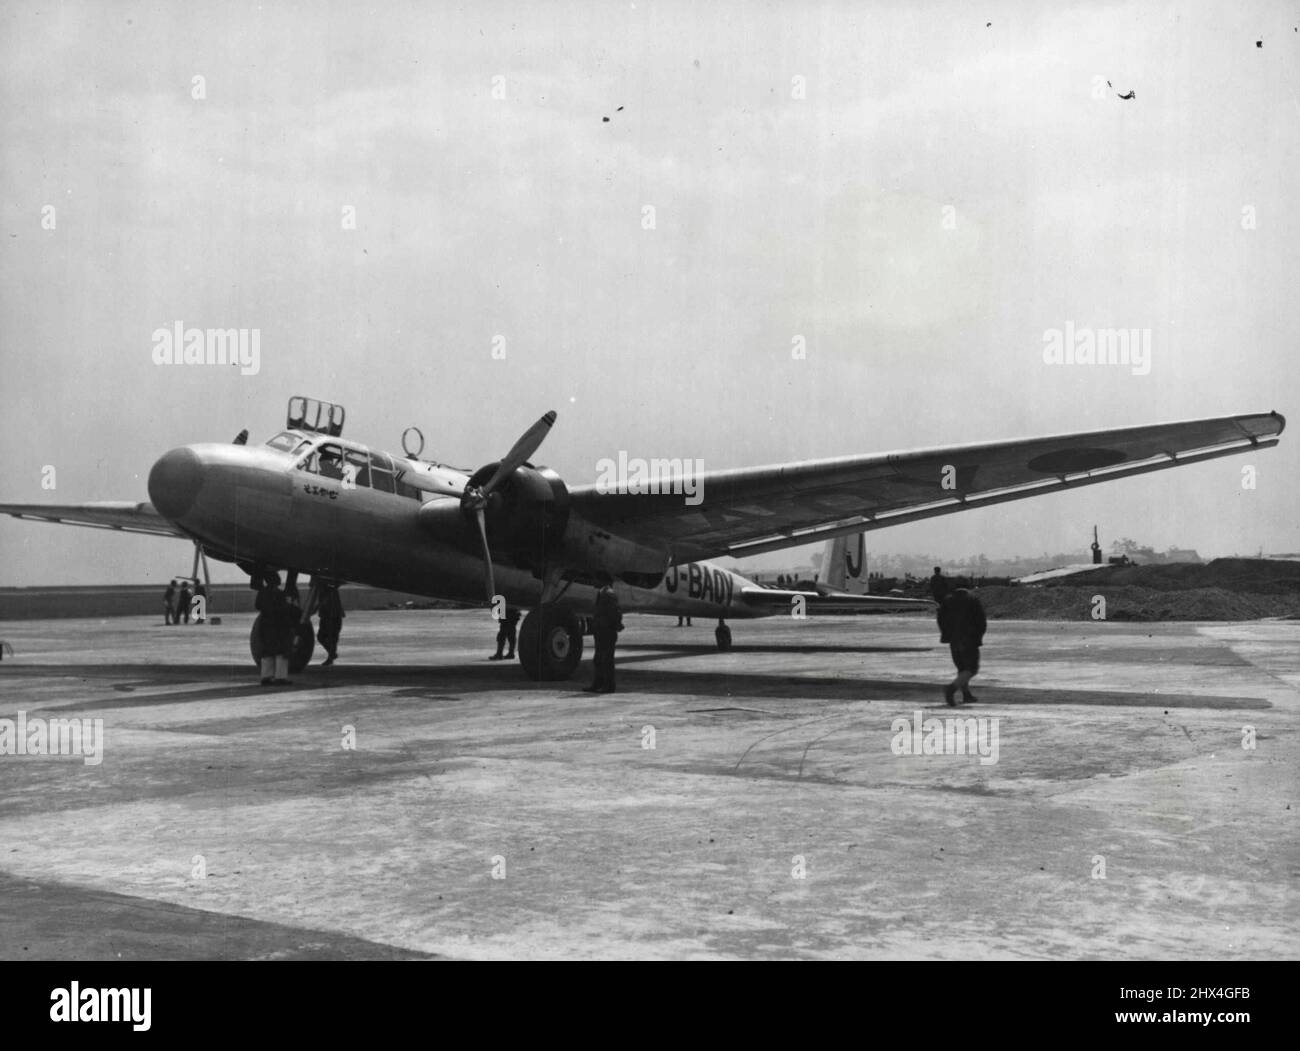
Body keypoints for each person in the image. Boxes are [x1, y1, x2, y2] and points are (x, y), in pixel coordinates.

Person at [938, 587, 986, 707]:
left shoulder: (947, 600)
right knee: (971, 668)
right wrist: (978, 636)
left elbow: (940, 619)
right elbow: (981, 620)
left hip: (953, 639)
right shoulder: (973, 599)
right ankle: (951, 688)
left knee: (962, 668)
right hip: (969, 638)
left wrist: (946, 634)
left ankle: (966, 694)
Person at [255, 573, 295, 685]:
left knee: (267, 651)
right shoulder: (280, 594)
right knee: (281, 651)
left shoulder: (262, 593)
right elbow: (284, 609)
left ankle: (266, 677)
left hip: (265, 624)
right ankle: (280, 677)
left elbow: (257, 605)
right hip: (278, 624)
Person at [585, 581, 623, 694]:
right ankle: (598, 684)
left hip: (606, 631)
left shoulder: (608, 594)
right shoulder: (603, 593)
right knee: (598, 659)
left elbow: (615, 612)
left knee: (606, 659)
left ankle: (608, 686)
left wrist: (612, 626)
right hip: (601, 631)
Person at [317, 583, 345, 666]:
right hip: (327, 616)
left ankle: (331, 656)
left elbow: (322, 603)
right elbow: (321, 604)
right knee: (323, 637)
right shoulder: (323, 591)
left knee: (331, 638)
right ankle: (332, 654)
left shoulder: (331, 591)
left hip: (333, 616)